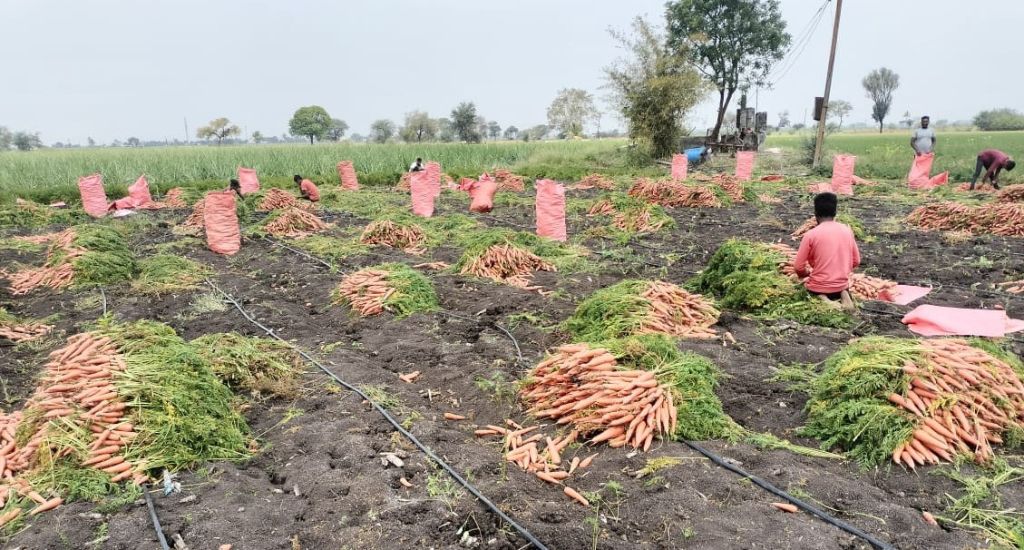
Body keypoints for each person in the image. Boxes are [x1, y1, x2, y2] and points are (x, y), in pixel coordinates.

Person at [793, 192, 860, 312]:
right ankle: (843, 294)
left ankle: (824, 299)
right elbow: (856, 261)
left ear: (815, 214)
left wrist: (806, 274)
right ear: (835, 213)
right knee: (839, 287)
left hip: (818, 286)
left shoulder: (811, 235)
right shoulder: (847, 231)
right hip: (840, 284)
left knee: (809, 288)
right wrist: (841, 270)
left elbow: (798, 267)